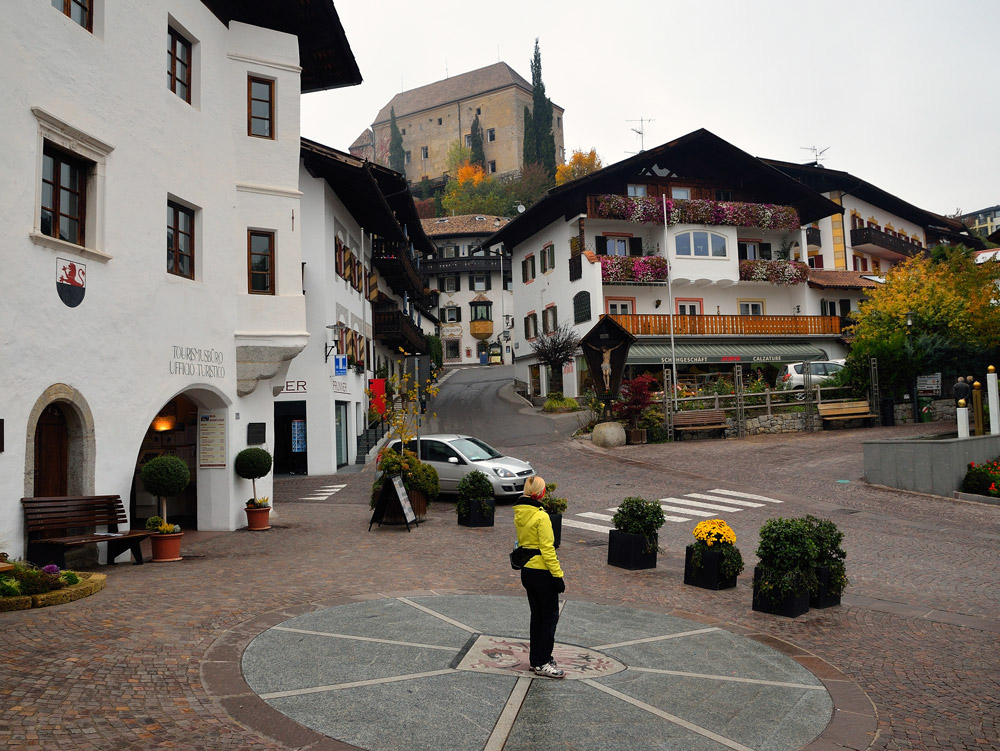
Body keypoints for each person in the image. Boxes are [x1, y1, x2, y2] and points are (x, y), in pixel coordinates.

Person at [514, 475, 566, 678]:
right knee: (550, 617)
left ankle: (536, 659)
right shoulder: (541, 516)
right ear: (540, 493)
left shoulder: (520, 513)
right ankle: (543, 661)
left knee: (537, 616)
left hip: (527, 570)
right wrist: (558, 576)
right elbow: (548, 549)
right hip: (542, 571)